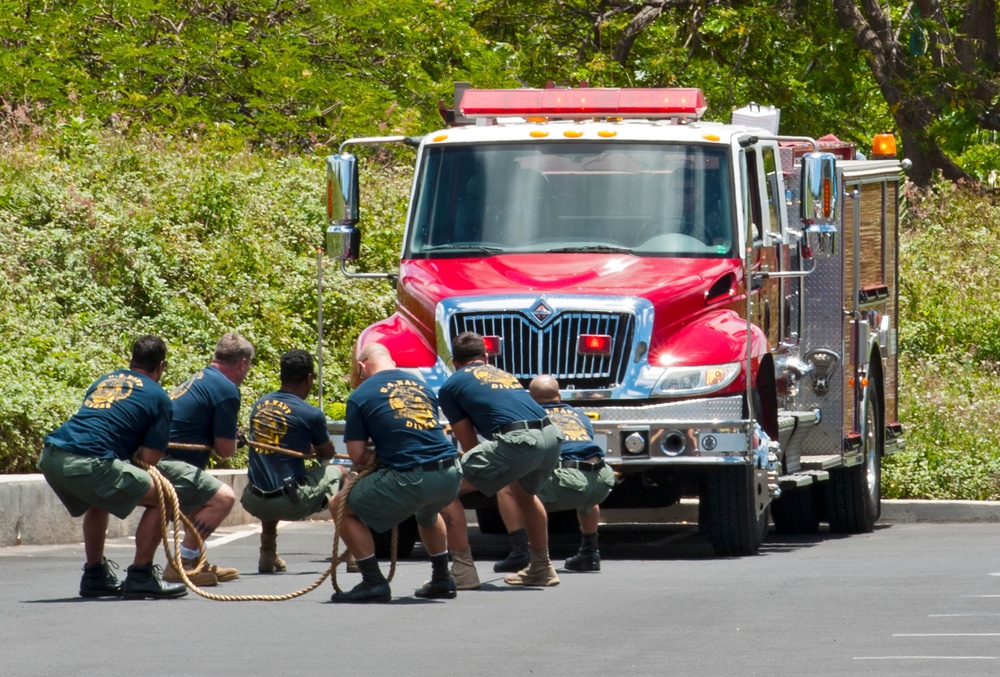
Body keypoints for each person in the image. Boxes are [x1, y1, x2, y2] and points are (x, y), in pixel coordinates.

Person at [36, 335, 187, 600]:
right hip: (89, 462)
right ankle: (141, 575)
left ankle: (95, 576)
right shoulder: (159, 397)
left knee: (99, 500)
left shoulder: (103, 381)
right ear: (161, 366)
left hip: (51, 456)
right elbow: (150, 458)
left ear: (131, 361)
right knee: (162, 495)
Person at [329, 343, 461, 603]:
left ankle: (372, 580)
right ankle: (442, 577)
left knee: (339, 505)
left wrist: (375, 458)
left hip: (412, 477)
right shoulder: (421, 386)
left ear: (362, 366)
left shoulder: (361, 394)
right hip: (449, 473)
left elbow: (357, 456)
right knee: (427, 512)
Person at [437, 332, 563, 588]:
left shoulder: (450, 387)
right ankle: (542, 567)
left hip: (519, 441)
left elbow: (469, 443)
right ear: (486, 357)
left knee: (442, 488)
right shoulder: (504, 374)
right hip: (551, 436)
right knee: (524, 493)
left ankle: (463, 572)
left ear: (454, 362)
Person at [158, 333, 254, 587]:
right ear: (242, 363)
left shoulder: (202, 378)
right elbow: (225, 450)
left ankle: (197, 561)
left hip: (158, 457)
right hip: (166, 461)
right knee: (223, 498)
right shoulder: (226, 389)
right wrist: (235, 440)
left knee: (202, 500)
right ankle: (181, 563)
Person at [493, 375, 615, 573]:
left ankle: (520, 552)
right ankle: (590, 552)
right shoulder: (579, 415)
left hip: (567, 483)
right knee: (586, 484)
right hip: (601, 482)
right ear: (559, 395)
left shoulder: (530, 417)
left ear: (530, 399)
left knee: (506, 487)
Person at [240, 349, 346, 573]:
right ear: (309, 379)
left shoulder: (260, 405)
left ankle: (267, 553)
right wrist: (317, 449)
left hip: (254, 499)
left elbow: (278, 442)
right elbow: (326, 454)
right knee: (341, 472)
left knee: (269, 475)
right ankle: (353, 550)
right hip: (291, 501)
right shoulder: (311, 413)